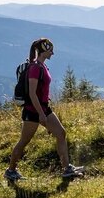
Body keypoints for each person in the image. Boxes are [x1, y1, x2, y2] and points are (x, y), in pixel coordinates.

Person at [5, 38, 82, 180]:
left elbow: (42, 91)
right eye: (50, 50)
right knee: (24, 141)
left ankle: (66, 169)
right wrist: (41, 114)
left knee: (61, 133)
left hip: (44, 108)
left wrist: (45, 111)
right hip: (33, 111)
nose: (53, 53)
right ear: (43, 51)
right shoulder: (35, 68)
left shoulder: (43, 67)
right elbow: (32, 94)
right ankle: (10, 171)